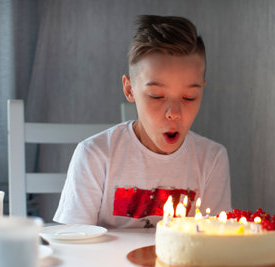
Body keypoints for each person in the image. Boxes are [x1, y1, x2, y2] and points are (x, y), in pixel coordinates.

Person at [53, 15, 231, 228]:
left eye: (189, 97)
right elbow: (74, 244)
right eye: (156, 96)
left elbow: (215, 242)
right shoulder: (95, 155)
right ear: (130, 90)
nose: (174, 113)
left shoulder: (212, 159)